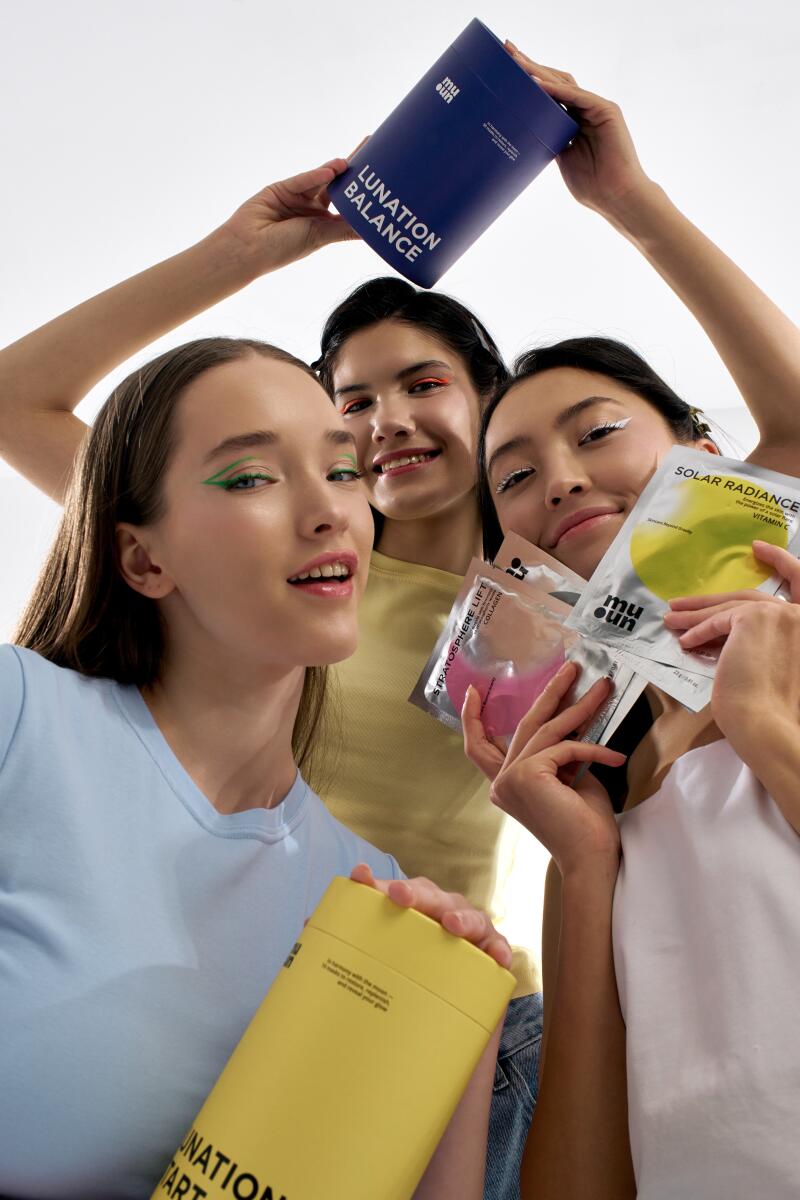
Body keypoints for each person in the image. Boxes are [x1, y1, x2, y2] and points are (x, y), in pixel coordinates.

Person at [0, 160, 512, 1199]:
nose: (328, 509)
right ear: (141, 558)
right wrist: (243, 253)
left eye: (339, 469)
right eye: (249, 475)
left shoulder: (369, 901)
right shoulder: (21, 719)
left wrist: (458, 1020)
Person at [463, 47, 800, 1199]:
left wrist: (630, 206)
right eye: (510, 476)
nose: (556, 479)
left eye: (596, 430)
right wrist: (578, 861)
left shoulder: (788, 667)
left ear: (701, 453)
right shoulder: (581, 799)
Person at [315, 278, 543, 1198]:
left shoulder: (552, 599)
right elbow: (21, 401)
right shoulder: (300, 573)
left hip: (472, 1024)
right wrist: (245, 250)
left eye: (422, 384)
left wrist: (633, 206)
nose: (388, 420)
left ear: (487, 399)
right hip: (281, 985)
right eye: (355, 402)